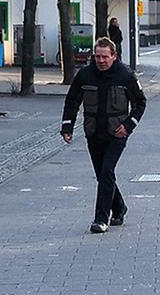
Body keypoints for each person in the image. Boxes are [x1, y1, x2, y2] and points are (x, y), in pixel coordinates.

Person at [61, 36, 147, 234]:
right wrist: (67, 126)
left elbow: (140, 103)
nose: (100, 60)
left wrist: (128, 125)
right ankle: (119, 207)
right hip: (93, 132)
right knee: (103, 175)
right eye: (97, 56)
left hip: (117, 133)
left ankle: (101, 219)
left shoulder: (126, 75)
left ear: (113, 56)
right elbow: (72, 101)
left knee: (107, 171)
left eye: (104, 57)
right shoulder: (85, 75)